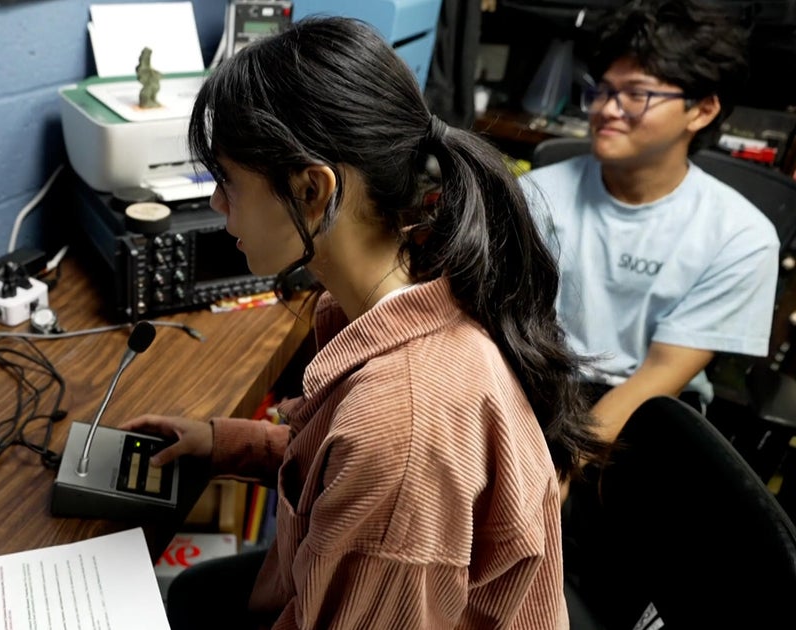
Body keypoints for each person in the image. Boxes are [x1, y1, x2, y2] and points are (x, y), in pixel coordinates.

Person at [121, 16, 600, 630]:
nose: (217, 206)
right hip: (339, 583)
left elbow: (380, 469)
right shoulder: (412, 285)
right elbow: (339, 466)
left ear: (313, 190)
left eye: (228, 183)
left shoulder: (399, 428)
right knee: (193, 592)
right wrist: (228, 443)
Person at [520, 0, 779, 446]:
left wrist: (557, 476)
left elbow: (660, 375)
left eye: (637, 94)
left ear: (702, 110)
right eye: (602, 90)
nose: (607, 109)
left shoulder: (741, 237)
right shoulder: (534, 194)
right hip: (536, 387)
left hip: (650, 409)